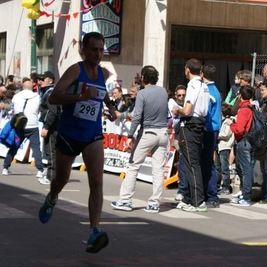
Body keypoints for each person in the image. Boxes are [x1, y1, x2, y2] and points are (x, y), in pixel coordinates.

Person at [38, 32, 117, 253]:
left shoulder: (103, 72)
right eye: (94, 49)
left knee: (97, 182)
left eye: (101, 49)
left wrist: (110, 108)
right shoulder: (75, 70)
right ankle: (52, 198)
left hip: (92, 135)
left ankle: (94, 231)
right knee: (62, 179)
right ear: (84, 49)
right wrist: (80, 98)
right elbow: (54, 97)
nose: (98, 54)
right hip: (69, 134)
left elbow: (102, 94)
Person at [111, 65, 169, 214]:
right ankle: (154, 203)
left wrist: (130, 135)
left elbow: (136, 117)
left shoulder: (142, 94)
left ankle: (125, 200)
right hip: (162, 133)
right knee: (158, 169)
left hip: (148, 132)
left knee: (133, 166)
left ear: (143, 78)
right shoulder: (163, 91)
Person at [171, 58, 209, 212]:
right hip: (199, 123)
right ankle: (189, 198)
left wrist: (176, 110)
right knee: (192, 162)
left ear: (187, 69)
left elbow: (187, 110)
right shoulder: (204, 85)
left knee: (191, 164)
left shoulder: (193, 84)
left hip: (190, 124)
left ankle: (197, 202)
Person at [2, 79, 45, 181]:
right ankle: (40, 170)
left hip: (19, 125)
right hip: (32, 125)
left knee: (14, 146)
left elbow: (13, 109)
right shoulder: (37, 97)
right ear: (31, 88)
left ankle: (5, 167)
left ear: (23, 87)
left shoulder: (17, 96)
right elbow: (39, 109)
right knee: (36, 148)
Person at [225, 85, 254, 207]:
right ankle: (245, 194)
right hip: (248, 141)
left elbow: (239, 130)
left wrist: (231, 124)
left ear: (240, 96)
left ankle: (246, 196)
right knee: (244, 169)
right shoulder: (251, 108)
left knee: (245, 169)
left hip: (243, 141)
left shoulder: (243, 110)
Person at [200, 64, 222, 208]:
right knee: (207, 162)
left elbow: (205, 112)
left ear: (202, 74)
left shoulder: (208, 91)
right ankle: (209, 194)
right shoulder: (216, 90)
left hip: (208, 129)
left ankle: (212, 196)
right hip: (213, 129)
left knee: (207, 162)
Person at [39, 71, 60, 182]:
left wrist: (46, 127)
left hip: (53, 126)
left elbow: (52, 111)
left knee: (51, 151)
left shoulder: (50, 93)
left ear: (50, 81)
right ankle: (50, 174)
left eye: (43, 79)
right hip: (52, 125)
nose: (40, 82)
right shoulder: (46, 92)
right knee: (49, 151)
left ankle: (51, 177)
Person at [216, 103, 234, 195]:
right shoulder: (220, 120)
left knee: (224, 168)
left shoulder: (228, 121)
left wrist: (218, 136)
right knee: (217, 167)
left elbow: (227, 134)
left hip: (225, 146)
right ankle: (217, 185)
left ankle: (226, 187)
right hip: (219, 146)